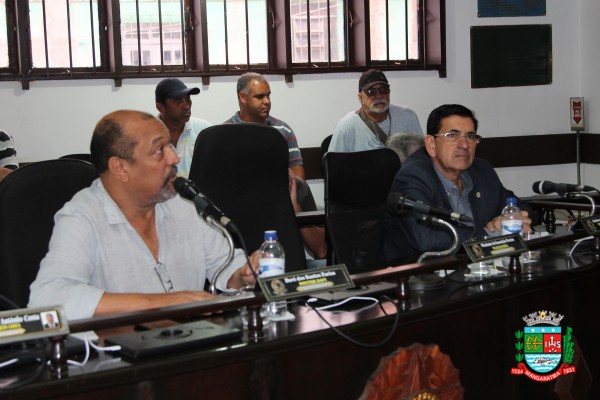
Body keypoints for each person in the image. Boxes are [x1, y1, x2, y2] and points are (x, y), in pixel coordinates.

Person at [29, 110, 259, 320]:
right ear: (120, 168)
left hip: (192, 342)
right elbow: (48, 299)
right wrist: (164, 303)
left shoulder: (182, 204)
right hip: (119, 350)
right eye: (160, 150)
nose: (174, 158)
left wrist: (243, 274)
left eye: (170, 146)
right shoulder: (82, 218)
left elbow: (225, 263)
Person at [383, 104, 534, 262]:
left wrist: (513, 219)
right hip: (421, 272)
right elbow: (426, 239)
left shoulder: (481, 170)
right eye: (452, 135)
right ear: (431, 144)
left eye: (470, 136)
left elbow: (520, 207)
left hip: (479, 268)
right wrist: (491, 232)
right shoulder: (413, 176)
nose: (464, 144)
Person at [225, 72, 305, 180]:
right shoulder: (224, 133)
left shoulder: (283, 129)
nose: (267, 101)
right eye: (259, 96)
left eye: (268, 95)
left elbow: (298, 177)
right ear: (243, 97)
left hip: (278, 190)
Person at [329, 69, 423, 153]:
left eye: (383, 90)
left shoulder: (407, 117)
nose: (379, 96)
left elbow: (421, 157)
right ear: (360, 97)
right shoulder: (346, 126)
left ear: (389, 92)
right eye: (371, 92)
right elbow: (334, 164)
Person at [155, 78, 212, 178]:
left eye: (188, 98)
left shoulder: (204, 130)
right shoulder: (147, 136)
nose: (186, 106)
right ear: (161, 107)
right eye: (178, 101)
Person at [289, 169, 327, 269]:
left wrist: (295, 207)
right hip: (259, 268)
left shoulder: (298, 186)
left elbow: (321, 250)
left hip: (299, 265)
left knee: (340, 269)